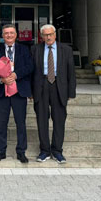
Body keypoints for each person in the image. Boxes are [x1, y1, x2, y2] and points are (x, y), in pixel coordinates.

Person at [31, 24, 76, 163]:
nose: (48, 37)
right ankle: (44, 151)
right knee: (42, 119)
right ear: (41, 36)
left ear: (55, 35)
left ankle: (57, 151)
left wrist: (71, 91)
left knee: (59, 120)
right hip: (41, 86)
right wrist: (30, 91)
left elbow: (71, 72)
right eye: (45, 35)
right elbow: (31, 72)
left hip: (59, 86)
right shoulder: (35, 49)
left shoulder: (66, 50)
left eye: (50, 34)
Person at [0, 24, 34, 163]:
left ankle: (21, 151)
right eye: (6, 33)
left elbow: (30, 66)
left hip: (19, 91)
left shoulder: (24, 49)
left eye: (11, 33)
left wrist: (16, 74)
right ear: (2, 36)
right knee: (2, 122)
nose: (9, 35)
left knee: (20, 123)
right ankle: (1, 151)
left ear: (16, 35)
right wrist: (1, 79)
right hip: (2, 92)